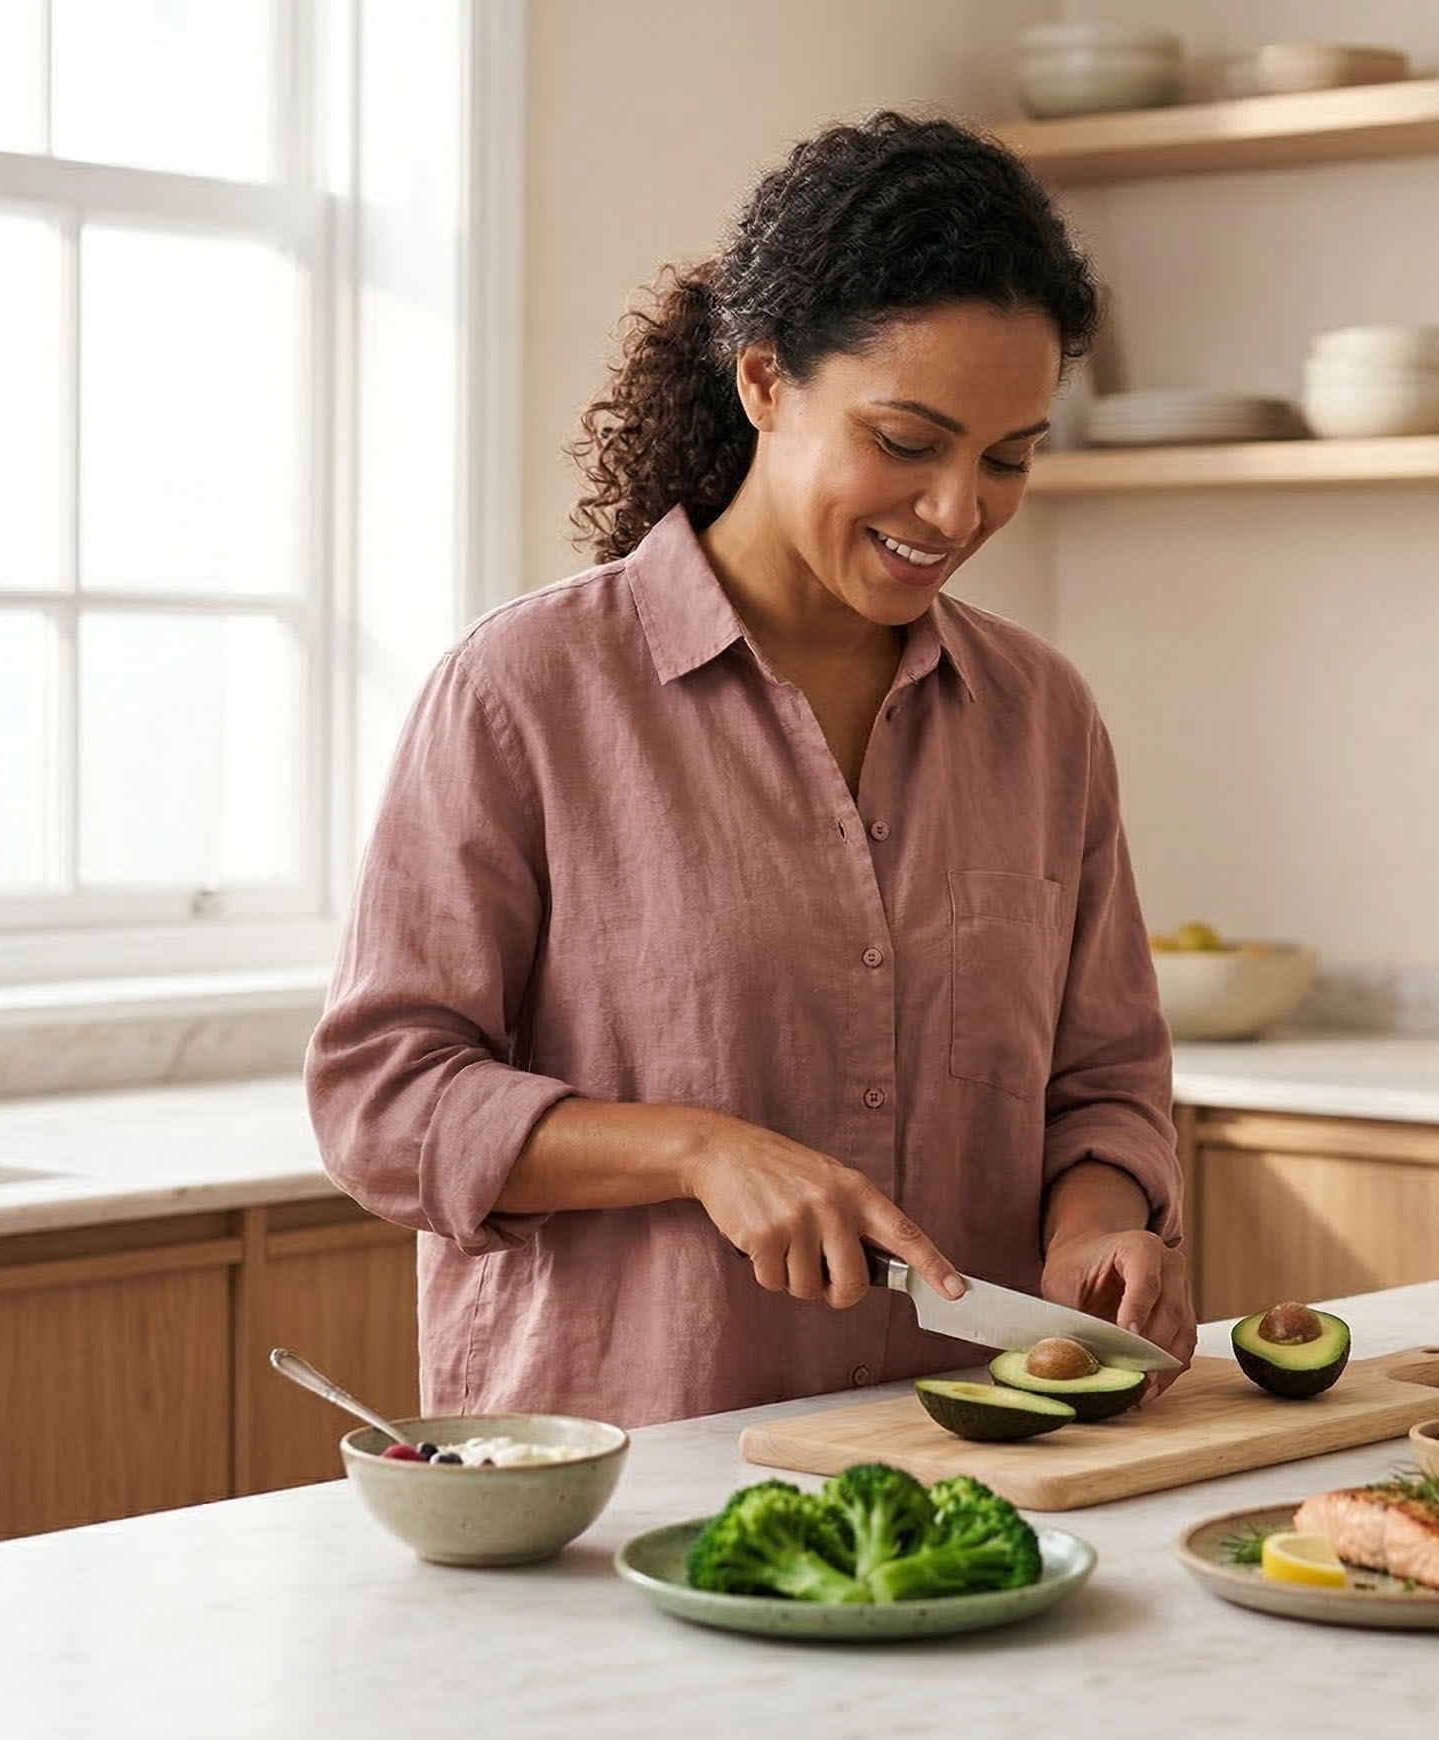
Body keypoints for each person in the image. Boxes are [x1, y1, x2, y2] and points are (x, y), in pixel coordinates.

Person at [307, 111, 1192, 1429]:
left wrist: (1096, 1232)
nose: (959, 511)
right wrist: (693, 1152)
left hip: (963, 1476)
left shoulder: (1040, 720)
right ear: (766, 380)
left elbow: (1104, 1085)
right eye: (907, 442)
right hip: (621, 1479)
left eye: (1008, 459)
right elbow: (381, 1101)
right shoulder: (525, 693)